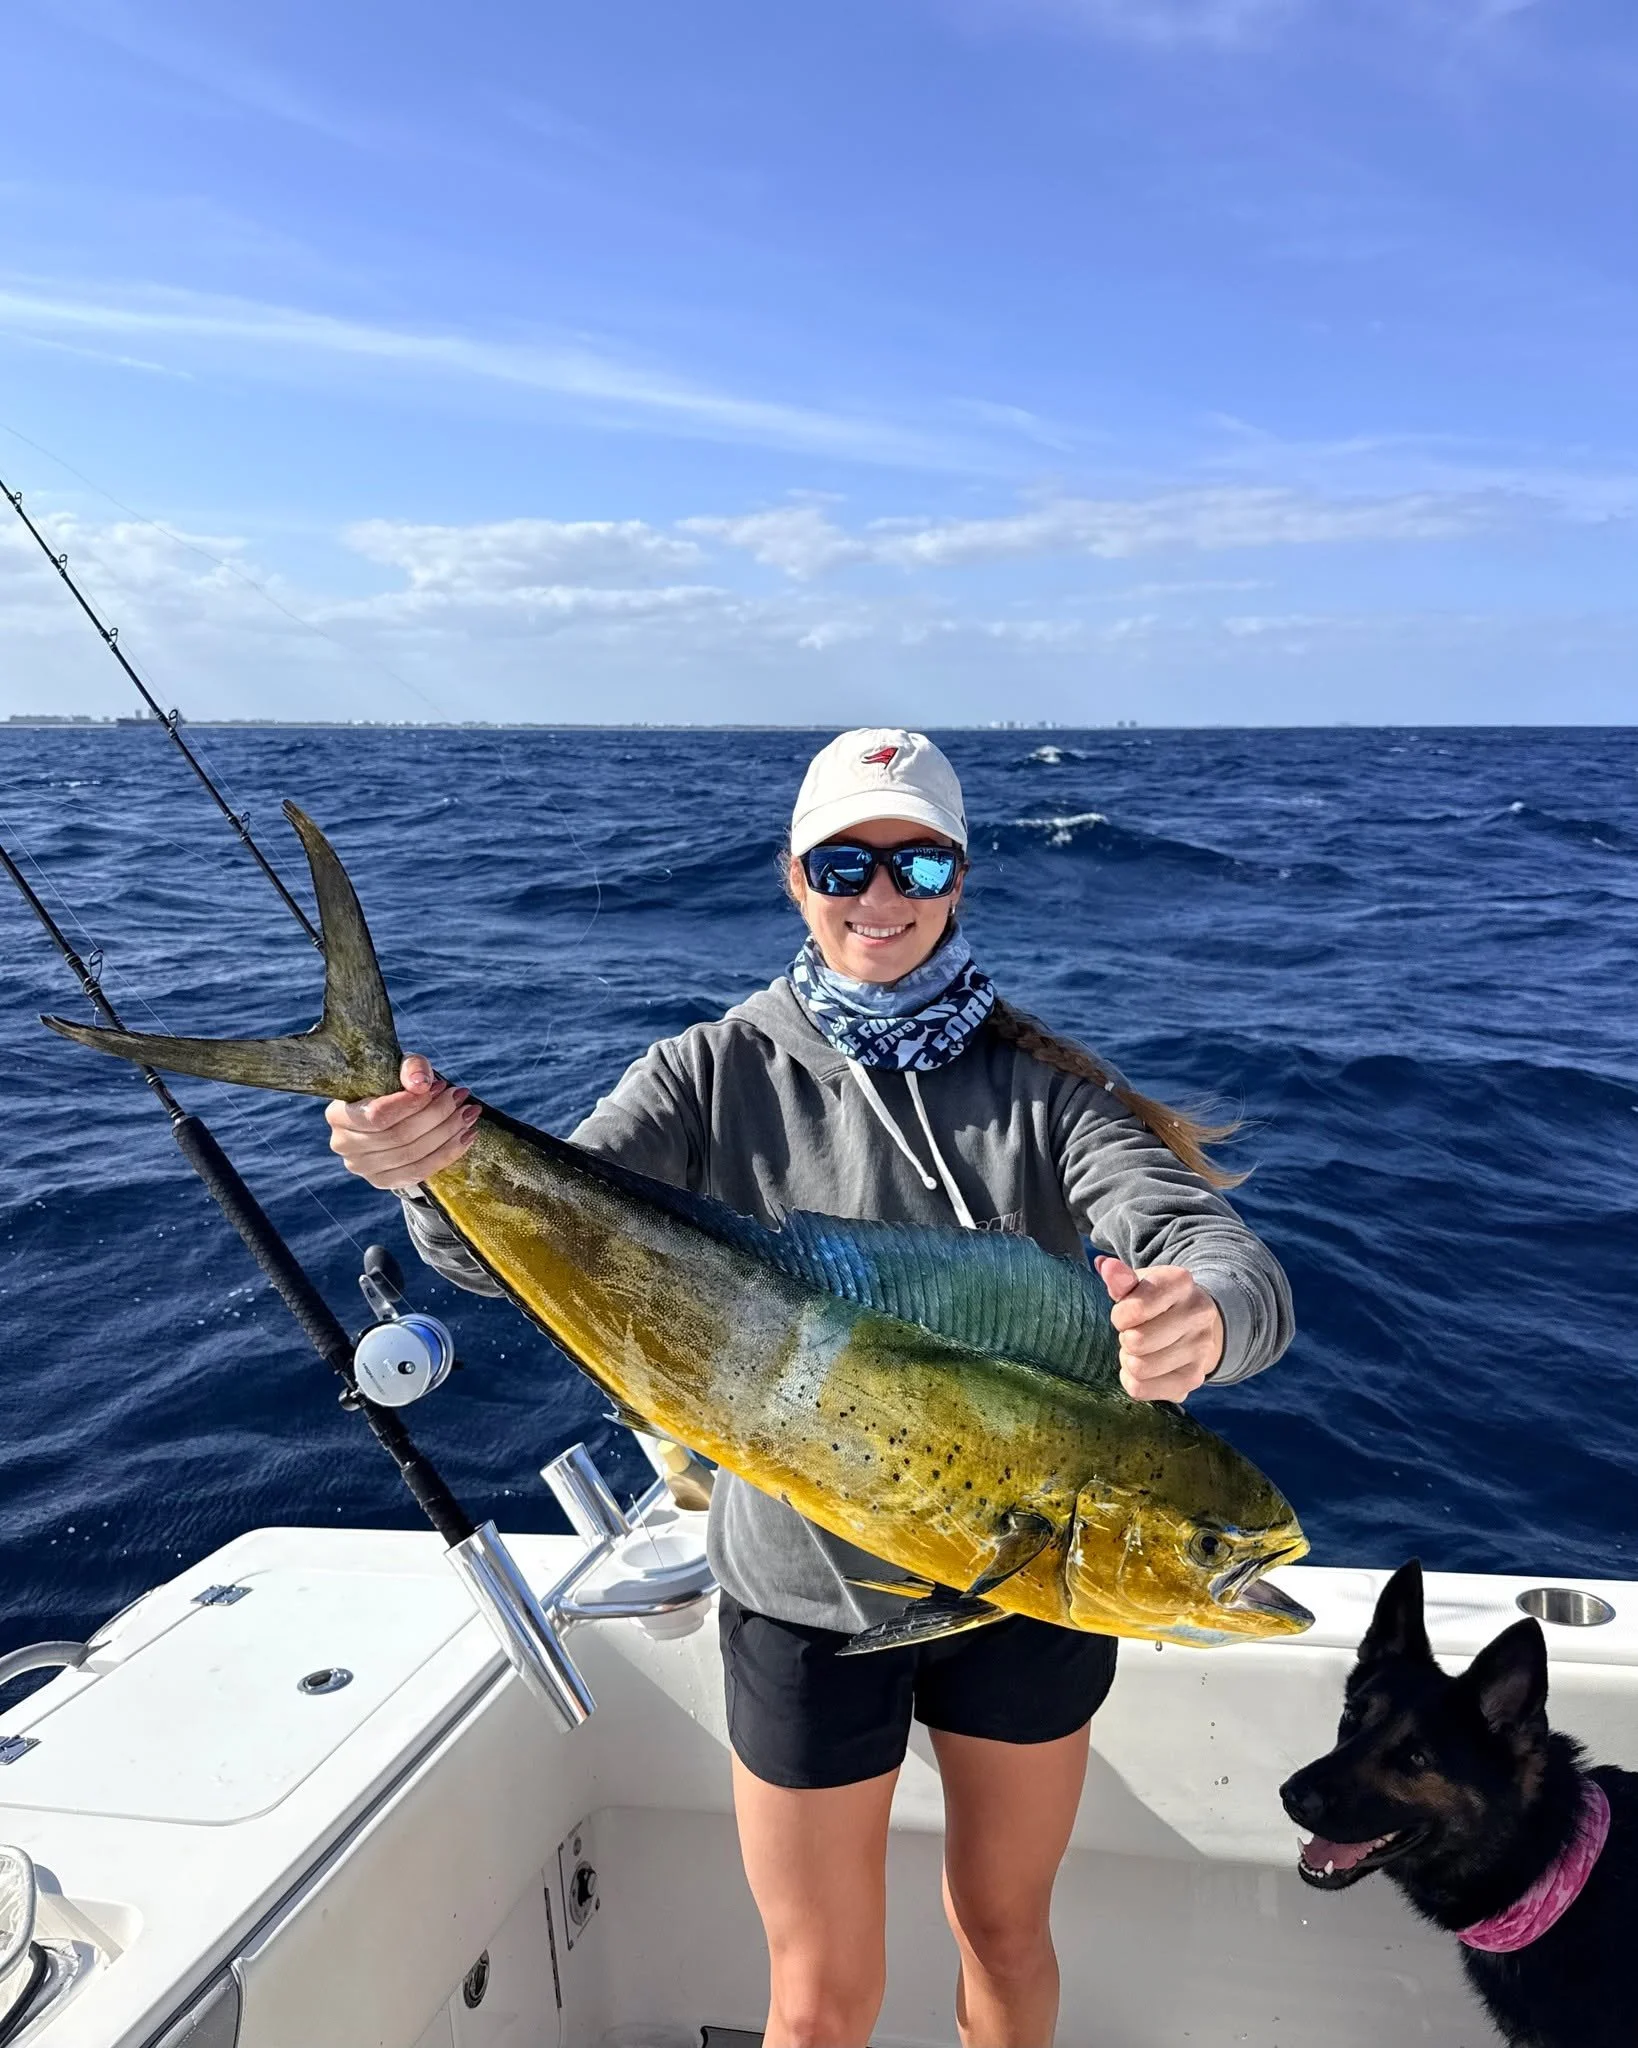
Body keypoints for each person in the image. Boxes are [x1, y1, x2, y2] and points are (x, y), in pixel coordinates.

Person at [324, 729, 1294, 2048]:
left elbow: (1209, 1247)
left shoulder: (1050, 1097)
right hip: (799, 1595)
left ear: (960, 880)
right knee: (819, 2000)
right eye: (845, 862)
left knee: (1004, 1933)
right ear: (794, 877)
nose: (878, 897)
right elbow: (511, 1243)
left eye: (916, 863)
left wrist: (1206, 1319)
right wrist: (425, 1170)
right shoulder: (709, 1071)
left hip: (1028, 1600)